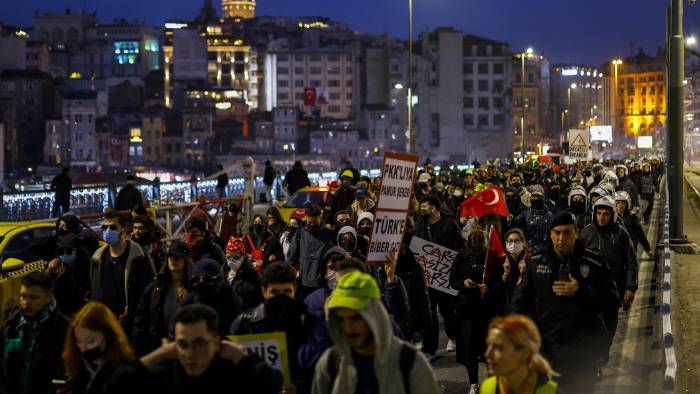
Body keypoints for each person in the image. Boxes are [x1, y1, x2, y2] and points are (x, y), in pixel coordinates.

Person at [510, 211, 618, 394]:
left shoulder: (594, 263)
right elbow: (517, 306)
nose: (562, 238)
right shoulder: (535, 264)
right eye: (557, 233)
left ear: (577, 232)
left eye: (567, 233)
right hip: (546, 355)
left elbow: (611, 304)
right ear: (550, 233)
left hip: (583, 356)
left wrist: (581, 292)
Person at [311, 271, 441, 394]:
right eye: (341, 320)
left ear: (374, 315)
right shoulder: (329, 364)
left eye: (356, 318)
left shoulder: (411, 364)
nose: (349, 329)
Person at [139, 304, 282, 394]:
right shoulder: (168, 374)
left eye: (199, 343)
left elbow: (272, 383)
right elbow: (122, 380)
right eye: (182, 344)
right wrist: (159, 354)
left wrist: (241, 357)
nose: (190, 354)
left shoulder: (231, 373)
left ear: (216, 341)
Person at [230, 262, 310, 390]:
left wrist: (298, 387)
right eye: (275, 292)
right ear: (264, 291)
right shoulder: (246, 323)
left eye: (287, 292)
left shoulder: (307, 322)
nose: (281, 298)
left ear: (294, 290)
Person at [580, 196, 638, 367]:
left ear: (612, 215)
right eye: (598, 213)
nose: (601, 218)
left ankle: (603, 351)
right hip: (590, 291)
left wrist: (630, 286)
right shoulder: (586, 234)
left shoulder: (620, 234)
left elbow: (631, 261)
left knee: (609, 325)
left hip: (613, 291)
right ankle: (593, 357)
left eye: (606, 214)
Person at [0, 272, 70, 394]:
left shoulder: (65, 330)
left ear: (49, 297)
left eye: (33, 297)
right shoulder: (10, 326)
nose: (26, 302)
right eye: (23, 296)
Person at [90, 210, 155, 336]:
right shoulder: (97, 258)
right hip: (106, 325)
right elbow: (94, 290)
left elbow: (147, 293)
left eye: (113, 227)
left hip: (131, 326)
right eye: (105, 227)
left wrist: (131, 312)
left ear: (124, 230)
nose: (108, 231)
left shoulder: (138, 258)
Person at [61, 302, 150, 394]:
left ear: (108, 336)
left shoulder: (127, 374)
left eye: (90, 341)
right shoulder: (79, 366)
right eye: (78, 341)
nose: (83, 348)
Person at [415, 194, 462, 360]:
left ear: (433, 207)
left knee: (447, 309)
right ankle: (430, 348)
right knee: (429, 313)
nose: (422, 209)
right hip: (427, 274)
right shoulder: (421, 224)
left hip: (445, 274)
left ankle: (453, 337)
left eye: (424, 206)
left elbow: (459, 246)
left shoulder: (449, 223)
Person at [450, 229, 498, 393]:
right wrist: (464, 283)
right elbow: (452, 280)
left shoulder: (491, 256)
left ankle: (492, 380)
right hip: (467, 309)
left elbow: (498, 280)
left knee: (489, 346)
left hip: (487, 309)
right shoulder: (461, 256)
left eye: (481, 242)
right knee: (470, 347)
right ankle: (473, 382)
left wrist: (488, 287)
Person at [132, 240, 193, 357]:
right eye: (171, 256)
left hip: (186, 347)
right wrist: (137, 349)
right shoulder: (155, 288)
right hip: (159, 347)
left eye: (178, 257)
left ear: (186, 260)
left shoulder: (192, 289)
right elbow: (141, 320)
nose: (174, 260)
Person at [480, 315, 558, 394]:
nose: (487, 354)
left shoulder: (551, 391)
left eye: (499, 348)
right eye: (488, 345)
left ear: (525, 353)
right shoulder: (486, 388)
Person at [183, 259, 242, 336]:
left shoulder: (231, 303)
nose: (201, 284)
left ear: (218, 281)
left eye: (207, 280)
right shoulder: (188, 305)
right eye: (195, 280)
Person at [288, 204, 333, 298]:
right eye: (310, 222)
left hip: (322, 282)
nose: (312, 225)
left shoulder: (328, 234)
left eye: (315, 222)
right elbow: (292, 257)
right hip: (303, 282)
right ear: (306, 217)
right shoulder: (300, 233)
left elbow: (332, 256)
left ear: (320, 217)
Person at [47, 233, 90, 317]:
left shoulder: (86, 268)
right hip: (61, 316)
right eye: (61, 251)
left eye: (68, 251)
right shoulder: (55, 269)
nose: (64, 254)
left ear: (78, 251)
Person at [222, 236, 262, 310]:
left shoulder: (253, 277)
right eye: (228, 257)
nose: (231, 260)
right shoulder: (221, 274)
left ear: (243, 256)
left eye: (236, 257)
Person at [512, 190, 553, 256]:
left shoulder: (549, 215)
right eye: (533, 197)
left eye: (537, 197)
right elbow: (516, 223)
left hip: (545, 250)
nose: (535, 199)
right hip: (529, 250)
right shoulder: (526, 213)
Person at [614, 191, 652, 256]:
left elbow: (640, 234)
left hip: (630, 249)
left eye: (623, 203)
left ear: (627, 204)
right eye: (618, 203)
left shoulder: (632, 217)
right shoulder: (612, 217)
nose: (620, 205)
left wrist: (647, 248)